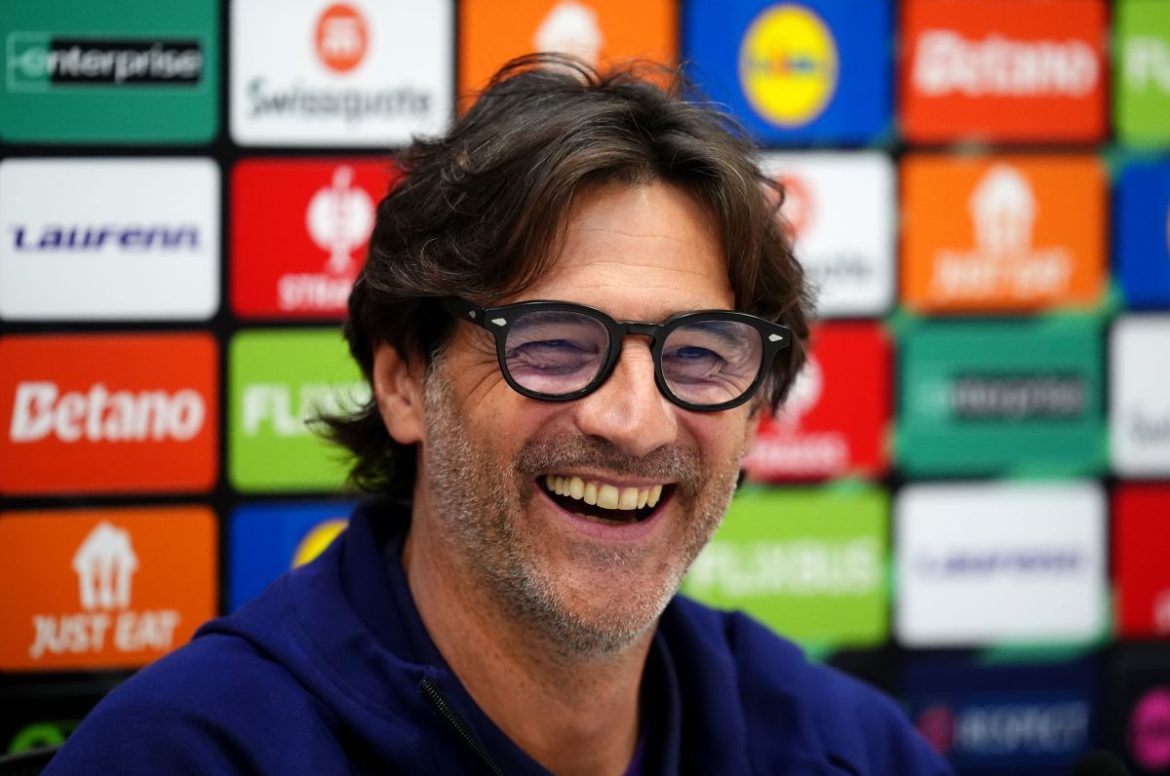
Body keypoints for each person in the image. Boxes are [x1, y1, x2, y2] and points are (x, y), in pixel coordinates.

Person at [44, 55, 951, 775]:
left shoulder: (850, 751)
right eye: (553, 343)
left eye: (700, 354)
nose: (636, 422)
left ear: (755, 413)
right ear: (404, 383)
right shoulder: (186, 753)